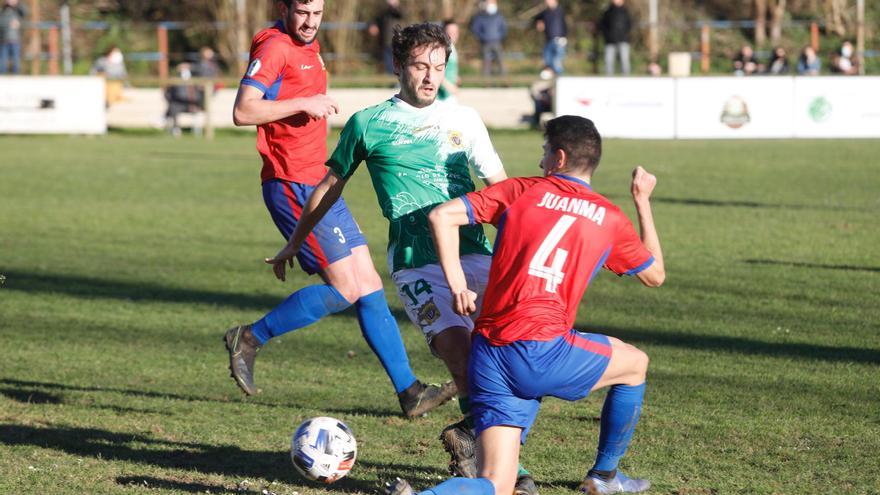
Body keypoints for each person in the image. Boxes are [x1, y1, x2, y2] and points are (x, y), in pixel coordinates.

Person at [264, 22, 537, 495]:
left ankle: (488, 451)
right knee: (459, 352)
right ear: (397, 66)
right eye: (419, 66)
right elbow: (328, 188)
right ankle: (495, 461)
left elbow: (501, 190)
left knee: (507, 359)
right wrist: (296, 240)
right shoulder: (368, 123)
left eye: (438, 66)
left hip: (473, 252)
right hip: (414, 261)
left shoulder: (465, 120)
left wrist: (523, 244)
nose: (430, 77)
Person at [387, 115, 665, 495]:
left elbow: (442, 215)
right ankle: (604, 477)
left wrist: (457, 287)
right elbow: (655, 274)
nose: (541, 162)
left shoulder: (521, 191)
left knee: (497, 484)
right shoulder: (609, 218)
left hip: (489, 354)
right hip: (545, 351)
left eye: (544, 152)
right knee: (636, 365)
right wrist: (642, 200)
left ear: (561, 157)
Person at [225, 0, 455, 419]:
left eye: (318, 12)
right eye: (302, 12)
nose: (311, 22)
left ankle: (409, 391)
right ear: (284, 7)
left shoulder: (305, 45)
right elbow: (243, 110)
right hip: (293, 183)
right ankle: (250, 337)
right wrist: (304, 104)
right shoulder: (276, 48)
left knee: (367, 284)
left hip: (318, 180)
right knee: (348, 287)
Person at [470, 0, 507, 76]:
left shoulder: (499, 16)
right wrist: (483, 37)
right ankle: (486, 83)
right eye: (490, 3)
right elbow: (475, 29)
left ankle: (505, 82)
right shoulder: (480, 17)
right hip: (485, 43)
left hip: (497, 42)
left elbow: (504, 28)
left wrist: (499, 36)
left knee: (501, 62)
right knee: (486, 63)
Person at [368, 0, 403, 75]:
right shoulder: (384, 12)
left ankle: (397, 80)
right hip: (386, 42)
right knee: (389, 63)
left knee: (399, 62)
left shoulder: (401, 10)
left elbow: (400, 15)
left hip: (398, 41)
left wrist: (394, 6)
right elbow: (375, 19)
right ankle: (391, 81)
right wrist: (372, 25)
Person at [533, 0, 567, 75]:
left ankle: (559, 80)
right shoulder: (545, 13)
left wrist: (564, 37)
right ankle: (551, 81)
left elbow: (565, 25)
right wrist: (539, 22)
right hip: (548, 40)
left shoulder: (560, 12)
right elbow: (537, 19)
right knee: (548, 61)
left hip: (559, 40)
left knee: (557, 62)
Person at [600, 0, 632, 75]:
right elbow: (603, 26)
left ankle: (626, 78)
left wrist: (625, 34)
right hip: (610, 40)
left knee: (625, 61)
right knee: (609, 61)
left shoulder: (625, 12)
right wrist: (607, 35)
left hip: (623, 39)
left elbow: (629, 25)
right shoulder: (608, 12)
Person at [0, 0, 26, 74]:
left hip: (15, 39)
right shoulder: (3, 10)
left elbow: (25, 12)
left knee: (16, 61)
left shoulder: (18, 10)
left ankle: (16, 76)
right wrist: (9, 24)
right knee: (2, 61)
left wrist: (17, 4)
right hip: (4, 39)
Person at [437, 19, 460, 103]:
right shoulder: (442, 49)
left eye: (455, 32)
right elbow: (436, 71)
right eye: (450, 32)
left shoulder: (452, 47)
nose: (453, 34)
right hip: (442, 96)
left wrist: (456, 77)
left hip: (449, 94)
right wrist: (449, 86)